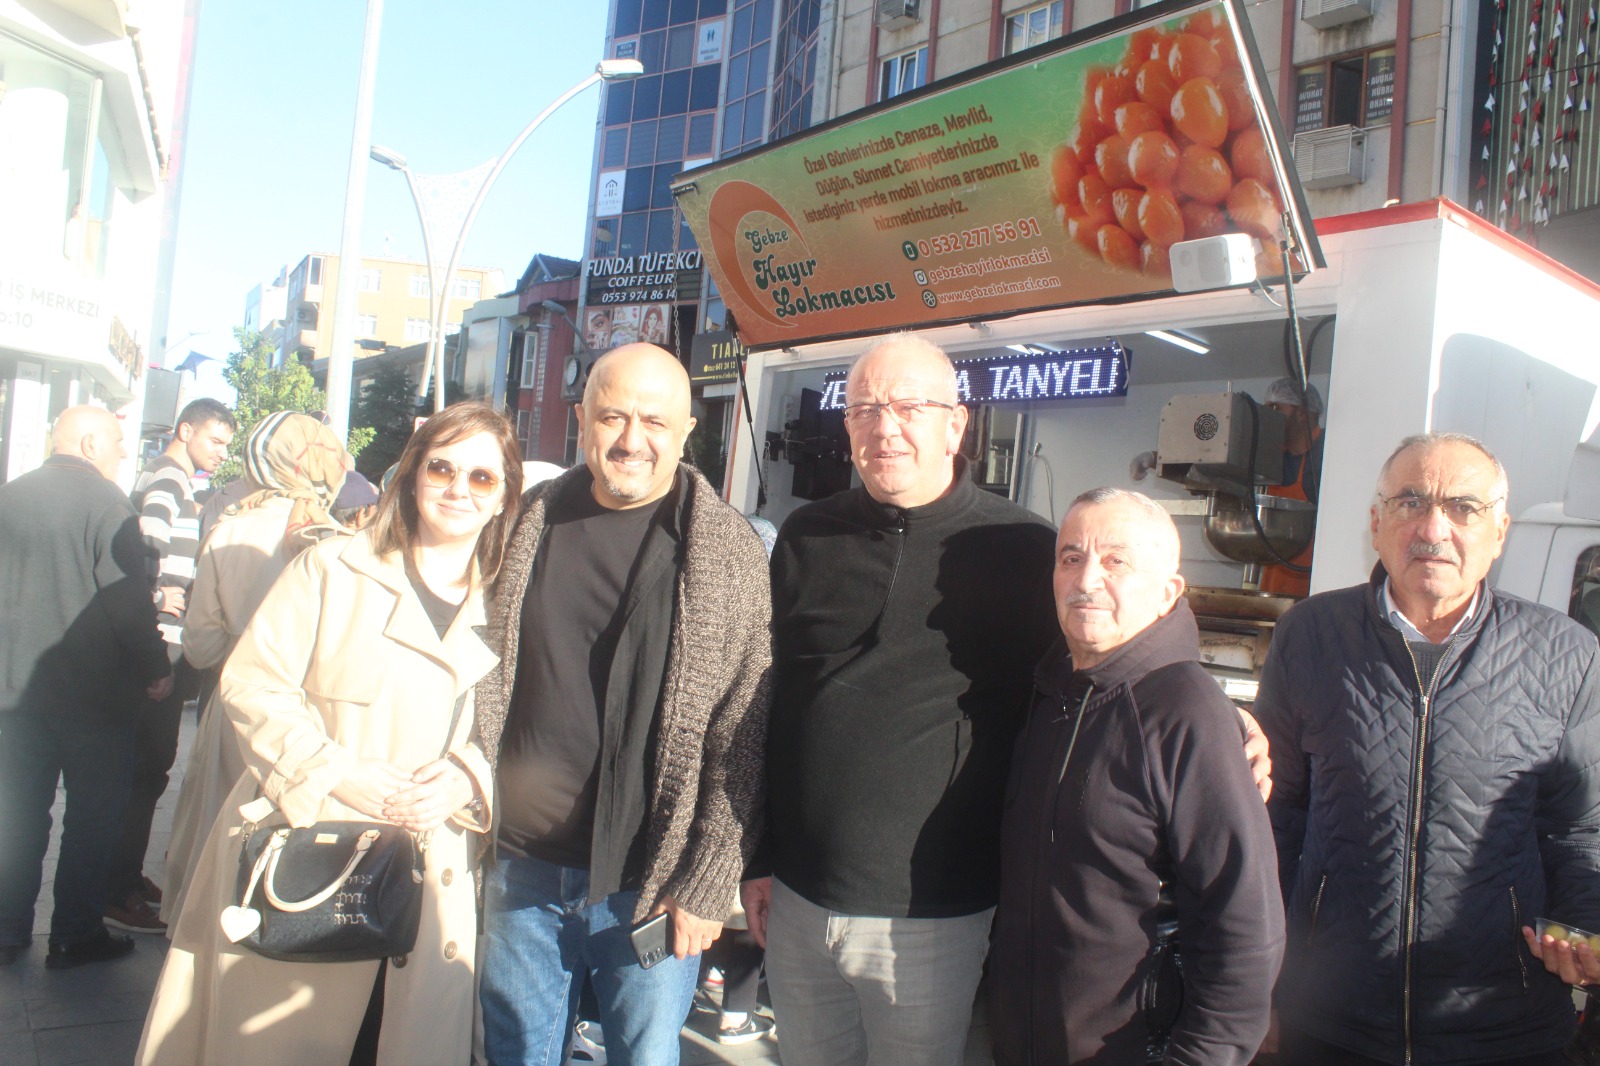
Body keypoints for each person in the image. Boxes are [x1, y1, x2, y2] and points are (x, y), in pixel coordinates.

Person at [746, 332, 1271, 1066]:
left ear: (955, 424)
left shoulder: (1026, 549)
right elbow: (769, 700)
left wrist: (1223, 719)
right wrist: (759, 856)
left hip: (935, 920)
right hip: (798, 902)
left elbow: (1111, 652)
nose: (884, 427)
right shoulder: (806, 536)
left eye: (909, 407)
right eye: (864, 408)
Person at [137, 402, 520, 1065]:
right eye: (442, 468)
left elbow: (524, 731)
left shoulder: (511, 604)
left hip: (429, 877)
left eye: (482, 477)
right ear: (412, 474)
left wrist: (468, 779)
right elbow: (253, 684)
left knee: (398, 1040)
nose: (460, 488)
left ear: (504, 496)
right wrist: (333, 771)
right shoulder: (331, 567)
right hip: (308, 858)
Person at [1255, 432, 1600, 1066]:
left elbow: (1580, 827)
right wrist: (1261, 986)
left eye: (1463, 507)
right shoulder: (1309, 635)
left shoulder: (1566, 654)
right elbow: (1273, 815)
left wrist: (1581, 928)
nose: (1434, 528)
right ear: (1376, 523)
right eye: (1410, 502)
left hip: (1503, 1026)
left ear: (1499, 532)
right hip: (1330, 1020)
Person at [474, 343, 771, 1066]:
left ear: (687, 431)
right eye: (612, 416)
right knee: (516, 1055)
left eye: (654, 421)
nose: (632, 439)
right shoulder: (524, 522)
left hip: (650, 881)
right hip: (520, 865)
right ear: (581, 420)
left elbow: (745, 727)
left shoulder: (726, 549)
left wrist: (706, 881)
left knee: (643, 1056)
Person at [987, 487, 1283, 1065]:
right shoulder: (1049, 694)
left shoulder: (1187, 713)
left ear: (1169, 592)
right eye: (1071, 557)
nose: (1086, 579)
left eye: (1116, 561)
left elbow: (1245, 927)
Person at [158, 411, 353, 928]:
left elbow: (200, 649)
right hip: (314, 720)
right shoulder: (341, 542)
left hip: (235, 715)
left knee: (217, 846)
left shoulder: (230, 531)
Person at [0, 406, 173, 969]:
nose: (124, 451)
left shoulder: (11, 496)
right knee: (94, 819)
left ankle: (6, 929)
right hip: (95, 699)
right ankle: (74, 934)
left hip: (16, 694)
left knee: (18, 814)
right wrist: (155, 666)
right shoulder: (107, 505)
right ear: (91, 441)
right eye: (119, 441)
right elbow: (127, 601)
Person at [106, 397, 236, 935]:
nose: (221, 453)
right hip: (162, 642)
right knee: (146, 769)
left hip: (164, 639)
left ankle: (125, 879)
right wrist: (159, 596)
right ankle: (117, 888)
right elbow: (144, 543)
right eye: (215, 441)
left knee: (148, 769)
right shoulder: (169, 477)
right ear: (185, 431)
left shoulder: (176, 478)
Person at [1258, 376, 1324, 597]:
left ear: (1302, 413)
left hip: (1312, 586)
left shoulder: (1328, 452)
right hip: (1273, 584)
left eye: (1276, 408)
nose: (1268, 415)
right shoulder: (1271, 456)